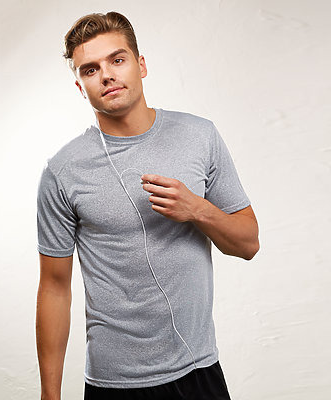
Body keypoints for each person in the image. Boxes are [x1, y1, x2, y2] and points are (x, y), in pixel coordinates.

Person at [35, 11, 259, 400]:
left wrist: (197, 209)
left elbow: (248, 244)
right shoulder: (63, 171)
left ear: (140, 65)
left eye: (117, 60)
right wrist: (49, 395)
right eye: (91, 69)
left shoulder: (199, 135)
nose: (106, 75)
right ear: (80, 86)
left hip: (199, 369)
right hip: (115, 382)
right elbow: (54, 287)